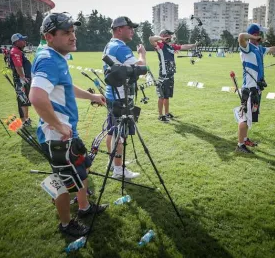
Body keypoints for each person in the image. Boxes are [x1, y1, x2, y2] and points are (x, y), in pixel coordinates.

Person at [29, 12, 108, 237]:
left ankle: (83, 207)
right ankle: (65, 224)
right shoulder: (48, 59)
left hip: (65, 132)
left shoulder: (56, 56)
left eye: (73, 31)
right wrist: (59, 126)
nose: (73, 36)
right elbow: (35, 96)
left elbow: (65, 88)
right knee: (61, 182)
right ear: (49, 36)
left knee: (82, 167)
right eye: (66, 32)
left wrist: (92, 97)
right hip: (57, 136)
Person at [103, 16, 146, 179]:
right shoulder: (120, 47)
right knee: (119, 134)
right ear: (119, 29)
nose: (133, 31)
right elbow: (141, 68)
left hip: (113, 95)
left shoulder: (110, 45)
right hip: (121, 97)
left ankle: (114, 162)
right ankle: (118, 169)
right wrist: (142, 55)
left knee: (112, 131)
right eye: (130, 28)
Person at [236, 23, 275, 154]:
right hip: (249, 89)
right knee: (245, 117)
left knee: (250, 116)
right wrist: (252, 36)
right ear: (255, 34)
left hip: (257, 89)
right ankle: (240, 145)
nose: (261, 36)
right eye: (259, 34)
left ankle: (245, 139)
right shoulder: (247, 48)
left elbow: (272, 49)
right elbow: (241, 36)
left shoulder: (259, 49)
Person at [149, 29, 197, 122]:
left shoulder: (171, 46)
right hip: (163, 75)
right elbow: (151, 39)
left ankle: (167, 113)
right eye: (169, 35)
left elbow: (183, 47)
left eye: (170, 35)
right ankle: (160, 115)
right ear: (164, 35)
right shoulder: (160, 46)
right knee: (161, 97)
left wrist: (194, 45)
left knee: (167, 96)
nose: (171, 37)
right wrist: (161, 38)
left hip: (170, 75)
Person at [9, 33, 33, 126]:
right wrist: (23, 77)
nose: (24, 42)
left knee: (25, 99)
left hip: (23, 79)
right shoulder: (15, 51)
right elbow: (18, 66)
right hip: (21, 79)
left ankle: (26, 118)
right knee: (23, 99)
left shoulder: (18, 50)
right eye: (22, 40)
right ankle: (24, 120)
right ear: (17, 42)